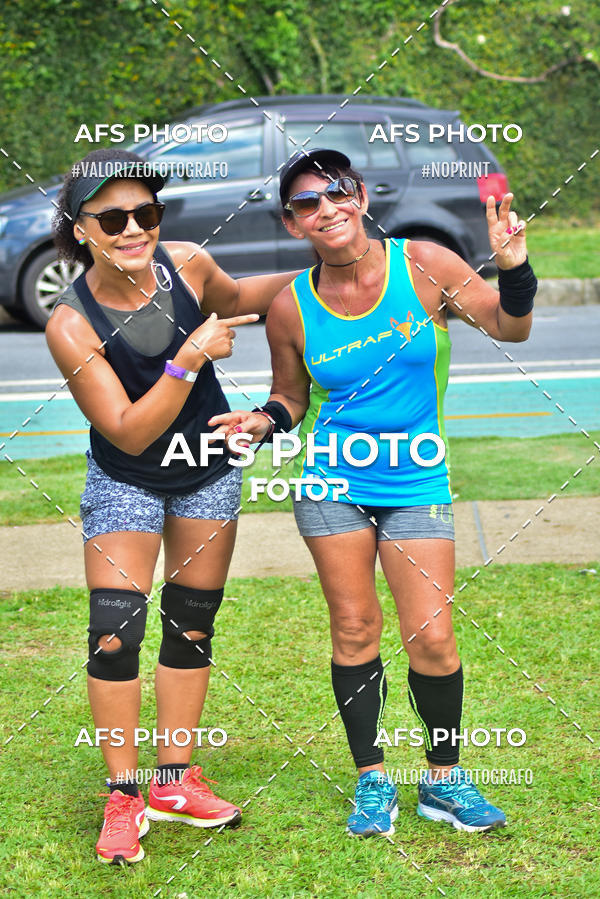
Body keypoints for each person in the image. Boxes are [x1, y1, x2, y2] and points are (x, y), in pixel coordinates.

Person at [210, 147, 537, 838]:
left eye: (336, 192)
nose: (325, 208)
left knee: (433, 637)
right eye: (306, 203)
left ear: (359, 196)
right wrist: (263, 420)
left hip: (416, 477)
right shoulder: (290, 306)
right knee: (355, 628)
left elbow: (511, 326)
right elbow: (290, 396)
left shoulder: (425, 264)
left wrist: (513, 268)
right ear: (292, 222)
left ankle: (443, 779)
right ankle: (371, 778)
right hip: (333, 482)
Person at [46, 148, 299, 864]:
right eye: (113, 219)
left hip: (204, 470)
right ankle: (124, 794)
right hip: (125, 475)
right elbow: (128, 428)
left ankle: (174, 780)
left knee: (190, 625)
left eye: (146, 213)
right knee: (114, 630)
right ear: (80, 229)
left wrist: (333, 261)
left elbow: (245, 295)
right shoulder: (71, 323)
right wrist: (188, 358)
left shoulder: (187, 265)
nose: (134, 228)